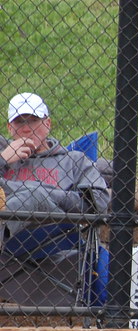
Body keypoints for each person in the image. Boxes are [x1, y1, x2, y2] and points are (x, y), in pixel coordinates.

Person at [0, 92, 111, 244]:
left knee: (34, 196)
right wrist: (3, 160)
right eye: (19, 122)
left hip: (54, 234)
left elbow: (99, 203)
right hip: (9, 245)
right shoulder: (3, 153)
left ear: (48, 124)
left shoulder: (73, 159)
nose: (26, 129)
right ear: (9, 128)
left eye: (33, 120)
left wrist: (45, 194)